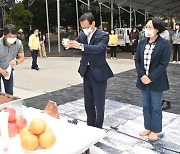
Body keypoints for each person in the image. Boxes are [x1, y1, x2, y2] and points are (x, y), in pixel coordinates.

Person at [62, 12, 114, 128]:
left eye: (86, 27)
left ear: (93, 24)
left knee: (99, 102)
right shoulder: (82, 35)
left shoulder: (103, 35)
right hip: (86, 71)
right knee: (88, 101)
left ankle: (98, 126)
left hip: (99, 72)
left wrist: (80, 46)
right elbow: (75, 44)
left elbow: (99, 49)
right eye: (82, 27)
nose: (84, 30)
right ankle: (90, 125)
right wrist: (67, 45)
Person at [135, 17, 171, 141]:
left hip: (156, 81)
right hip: (143, 80)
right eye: (146, 26)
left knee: (156, 106)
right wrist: (142, 76)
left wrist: (150, 77)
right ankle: (148, 127)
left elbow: (163, 64)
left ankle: (155, 130)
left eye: (150, 27)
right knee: (146, 105)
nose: (147, 29)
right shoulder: (142, 43)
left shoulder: (165, 44)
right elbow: (137, 60)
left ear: (157, 29)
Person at [0, 24, 24, 95]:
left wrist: (16, 62)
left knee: (10, 92)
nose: (13, 38)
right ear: (5, 35)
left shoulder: (18, 43)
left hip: (8, 70)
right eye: (10, 36)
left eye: (14, 36)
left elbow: (22, 57)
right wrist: (1, 71)